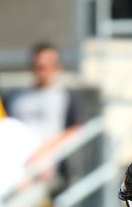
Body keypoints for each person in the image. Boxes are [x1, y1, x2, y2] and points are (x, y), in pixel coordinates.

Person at [8, 43, 85, 178]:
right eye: (38, 66)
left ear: (57, 67)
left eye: (46, 65)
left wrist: (44, 151)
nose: (42, 70)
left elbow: (75, 129)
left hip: (49, 168)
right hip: (17, 167)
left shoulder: (66, 96)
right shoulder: (16, 97)